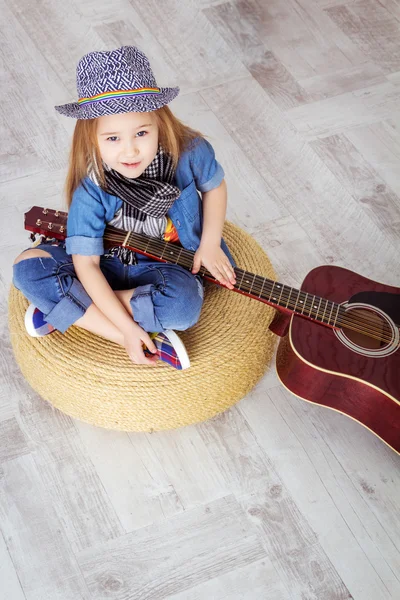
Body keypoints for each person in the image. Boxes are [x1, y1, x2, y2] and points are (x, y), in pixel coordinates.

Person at [13, 46, 236, 370]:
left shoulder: (190, 152)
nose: (130, 150)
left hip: (164, 263)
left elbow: (215, 186)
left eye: (141, 133)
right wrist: (127, 332)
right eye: (113, 138)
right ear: (93, 139)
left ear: (159, 121)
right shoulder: (91, 188)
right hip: (105, 262)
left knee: (185, 307)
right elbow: (86, 265)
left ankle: (69, 310)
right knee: (26, 269)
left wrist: (210, 241)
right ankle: (109, 326)